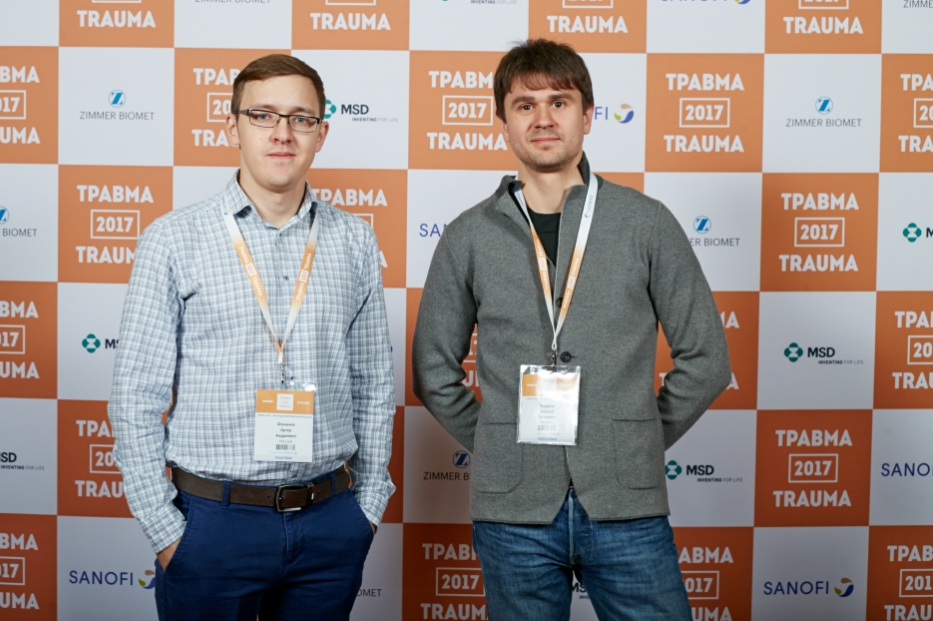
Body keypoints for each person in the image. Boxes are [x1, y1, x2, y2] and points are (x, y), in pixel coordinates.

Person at [412, 38, 731, 621]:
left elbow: (707, 359)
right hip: (513, 514)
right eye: (525, 105)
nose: (543, 118)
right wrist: (500, 443)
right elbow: (433, 370)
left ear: (587, 116)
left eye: (559, 102)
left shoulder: (646, 222)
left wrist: (634, 441)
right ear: (503, 122)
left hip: (625, 504)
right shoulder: (467, 235)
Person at [109, 54, 395, 621]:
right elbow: (135, 395)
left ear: (321, 134)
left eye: (301, 118)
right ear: (232, 126)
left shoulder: (354, 241)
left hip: (329, 521)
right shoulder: (174, 239)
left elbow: (374, 384)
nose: (282, 133)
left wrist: (366, 508)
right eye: (262, 115)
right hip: (213, 523)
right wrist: (165, 530)